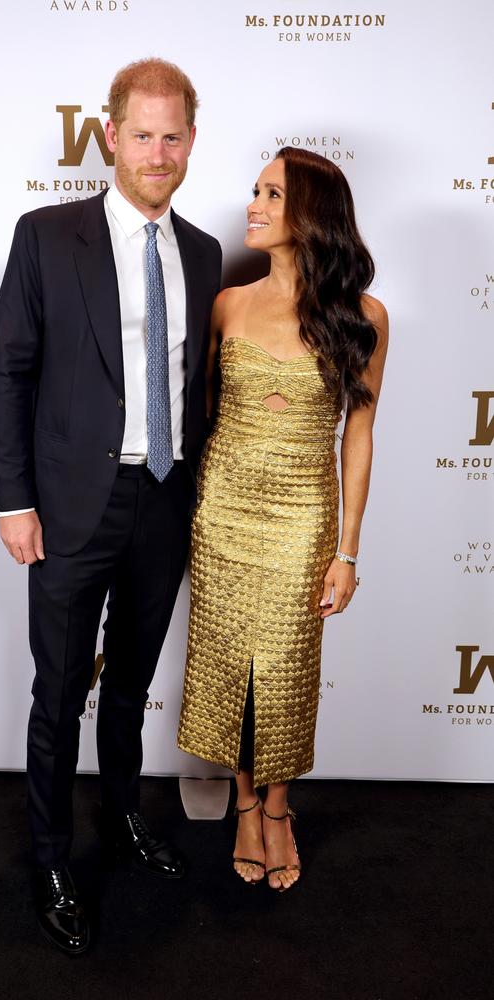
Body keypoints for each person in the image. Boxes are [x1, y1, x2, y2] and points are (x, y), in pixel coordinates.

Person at [0, 58, 221, 953]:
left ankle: (122, 820)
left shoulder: (200, 251)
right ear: (110, 136)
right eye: (141, 134)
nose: (157, 153)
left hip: (164, 500)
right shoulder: (47, 236)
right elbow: (10, 370)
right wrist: (15, 499)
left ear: (191, 142)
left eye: (173, 136)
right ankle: (51, 859)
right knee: (59, 696)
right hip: (70, 506)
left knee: (128, 686)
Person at [178, 146, 388, 891]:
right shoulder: (229, 303)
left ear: (311, 215)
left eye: (272, 194)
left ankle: (278, 807)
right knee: (232, 663)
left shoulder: (363, 317)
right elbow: (195, 415)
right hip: (224, 510)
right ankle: (241, 801)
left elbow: (357, 434)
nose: (254, 205)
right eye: (255, 190)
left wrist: (349, 551)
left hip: (304, 515)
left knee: (288, 670)